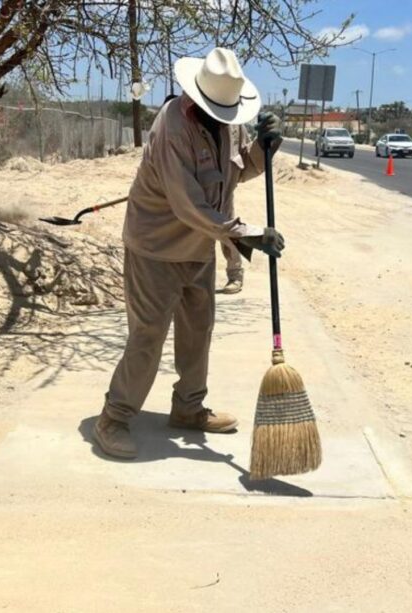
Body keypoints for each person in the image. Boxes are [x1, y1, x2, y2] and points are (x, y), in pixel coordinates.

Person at [92, 47, 283, 459]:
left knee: (198, 332)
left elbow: (236, 172)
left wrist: (264, 150)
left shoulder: (228, 124)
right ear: (198, 98)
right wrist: (248, 235)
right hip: (155, 249)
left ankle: (188, 408)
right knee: (148, 336)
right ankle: (115, 417)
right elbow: (189, 204)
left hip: (199, 247)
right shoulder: (171, 127)